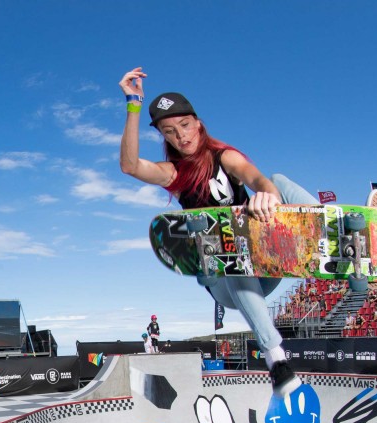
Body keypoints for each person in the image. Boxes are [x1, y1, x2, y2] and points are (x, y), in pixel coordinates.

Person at [118, 67, 312, 397]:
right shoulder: (174, 174)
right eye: (169, 132)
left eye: (184, 125)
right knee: (230, 252)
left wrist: (268, 195)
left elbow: (256, 179)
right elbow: (130, 165)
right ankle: (276, 360)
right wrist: (134, 105)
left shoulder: (226, 157)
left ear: (198, 123)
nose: (181, 136)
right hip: (224, 283)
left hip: (266, 264)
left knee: (277, 179)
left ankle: (325, 240)